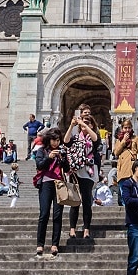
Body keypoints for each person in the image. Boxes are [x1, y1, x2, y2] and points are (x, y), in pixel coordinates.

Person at [33, 127, 70, 259]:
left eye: (58, 140)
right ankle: (40, 243)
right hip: (46, 184)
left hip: (59, 184)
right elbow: (39, 165)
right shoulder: (42, 151)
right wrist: (49, 157)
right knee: (44, 214)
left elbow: (66, 169)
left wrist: (63, 158)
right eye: (54, 140)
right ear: (48, 140)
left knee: (57, 215)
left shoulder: (61, 151)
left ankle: (55, 243)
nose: (56, 143)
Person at [66, 106, 100, 241]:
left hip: (89, 171)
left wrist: (83, 124)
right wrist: (72, 126)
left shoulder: (92, 139)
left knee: (86, 200)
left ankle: (86, 229)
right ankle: (72, 229)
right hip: (75, 171)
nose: (85, 124)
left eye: (88, 122)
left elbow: (95, 138)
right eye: (84, 121)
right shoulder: (76, 137)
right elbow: (66, 141)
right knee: (74, 201)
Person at [112, 120, 138, 186]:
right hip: (122, 167)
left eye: (129, 128)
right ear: (122, 129)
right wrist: (123, 141)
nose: (127, 130)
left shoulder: (136, 138)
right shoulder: (119, 140)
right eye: (125, 128)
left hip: (132, 166)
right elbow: (116, 153)